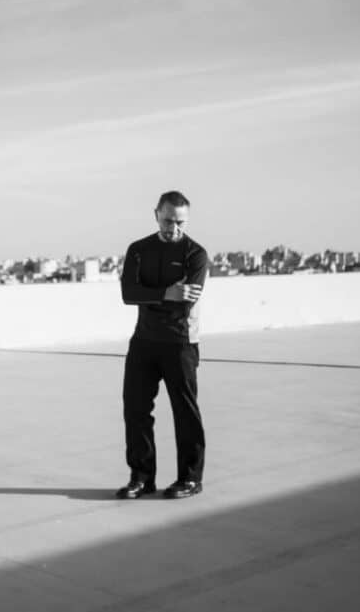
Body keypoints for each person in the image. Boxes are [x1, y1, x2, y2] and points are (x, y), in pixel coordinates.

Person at [116, 190, 208, 500]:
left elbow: (184, 303)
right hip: (143, 341)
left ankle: (190, 479)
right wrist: (165, 293)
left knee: (185, 413)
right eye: (169, 221)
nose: (174, 228)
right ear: (156, 214)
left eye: (181, 222)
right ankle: (142, 478)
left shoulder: (195, 254)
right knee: (135, 410)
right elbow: (128, 294)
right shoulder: (138, 250)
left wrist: (151, 295)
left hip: (180, 343)